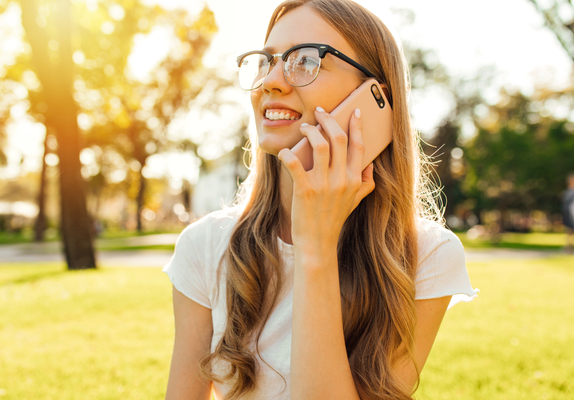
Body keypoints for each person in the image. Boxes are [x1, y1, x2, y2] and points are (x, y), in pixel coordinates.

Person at [163, 1, 478, 399]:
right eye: (267, 61)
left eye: (306, 60)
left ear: (375, 95)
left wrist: (316, 246)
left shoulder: (426, 255)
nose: (271, 81)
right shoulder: (206, 246)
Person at [562, 173, 574, 253]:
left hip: (572, 213)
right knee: (569, 231)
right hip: (567, 214)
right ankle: (568, 247)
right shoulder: (567, 192)